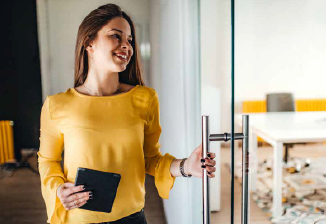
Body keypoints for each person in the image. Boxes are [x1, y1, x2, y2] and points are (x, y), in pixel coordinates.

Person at [37, 4, 216, 224]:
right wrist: (57, 189)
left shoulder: (144, 98)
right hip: (79, 218)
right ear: (88, 43)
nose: (126, 46)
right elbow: (48, 161)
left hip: (132, 219)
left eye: (129, 40)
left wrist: (186, 166)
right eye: (116, 36)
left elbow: (151, 159)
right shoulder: (57, 105)